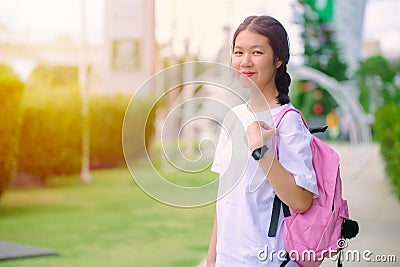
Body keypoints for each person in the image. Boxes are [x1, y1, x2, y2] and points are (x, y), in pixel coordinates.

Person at [206, 15, 318, 267]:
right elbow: (225, 202)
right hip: (228, 260)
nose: (245, 61)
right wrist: (212, 260)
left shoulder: (288, 122)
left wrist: (260, 150)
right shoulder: (234, 116)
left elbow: (301, 201)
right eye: (238, 52)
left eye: (257, 52)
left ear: (278, 59)